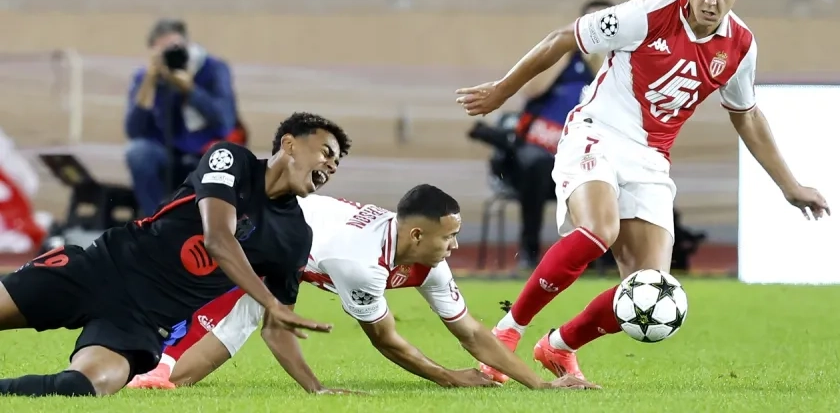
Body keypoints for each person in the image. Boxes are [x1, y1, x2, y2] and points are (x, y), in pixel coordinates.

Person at [455, 0, 829, 383]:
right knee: (598, 230)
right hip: (597, 133)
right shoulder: (645, 15)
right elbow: (563, 38)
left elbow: (747, 117)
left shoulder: (741, 47)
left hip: (651, 159)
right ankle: (506, 332)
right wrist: (501, 91)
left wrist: (790, 185)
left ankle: (558, 346)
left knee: (650, 291)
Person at [0, 112, 352, 397]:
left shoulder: (294, 237)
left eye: (336, 164)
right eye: (326, 153)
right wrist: (269, 301)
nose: (331, 167)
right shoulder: (230, 159)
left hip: (142, 322)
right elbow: (218, 238)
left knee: (83, 385)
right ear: (289, 143)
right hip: (99, 269)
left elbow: (277, 330)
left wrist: (316, 388)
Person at [126, 188, 597, 392]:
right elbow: (386, 340)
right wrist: (450, 377)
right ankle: (129, 356)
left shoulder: (424, 258)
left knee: (180, 380)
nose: (455, 246)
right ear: (417, 235)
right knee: (176, 356)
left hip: (287, 255)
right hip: (256, 235)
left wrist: (540, 386)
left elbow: (471, 332)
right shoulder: (362, 263)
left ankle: (138, 367)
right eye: (449, 236)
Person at [510, 0, 614, 269]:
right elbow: (531, 90)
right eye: (590, 23)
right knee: (534, 165)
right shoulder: (561, 55)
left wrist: (597, 61)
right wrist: (567, 51)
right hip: (544, 146)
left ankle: (598, 257)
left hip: (591, 149)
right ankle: (529, 251)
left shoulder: (619, 64)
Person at [125, 18, 242, 217]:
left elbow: (225, 121)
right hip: (164, 151)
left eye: (176, 49)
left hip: (204, 150)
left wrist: (190, 89)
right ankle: (154, 221)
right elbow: (134, 131)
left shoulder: (212, 68)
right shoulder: (146, 77)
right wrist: (149, 82)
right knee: (138, 152)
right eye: (165, 52)